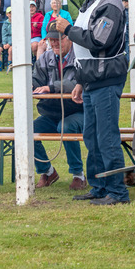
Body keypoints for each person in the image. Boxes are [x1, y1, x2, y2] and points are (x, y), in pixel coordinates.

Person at [53, 0, 130, 205]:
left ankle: (118, 192)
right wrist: (79, 81)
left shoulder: (110, 3)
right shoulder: (91, 4)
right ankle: (98, 187)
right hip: (91, 79)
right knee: (92, 136)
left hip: (106, 78)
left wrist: (68, 29)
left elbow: (99, 40)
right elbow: (85, 50)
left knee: (106, 137)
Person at [31, 24, 87, 190]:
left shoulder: (81, 56)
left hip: (79, 111)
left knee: (66, 126)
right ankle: (47, 171)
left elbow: (78, 83)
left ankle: (78, 175)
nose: (54, 43)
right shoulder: (44, 58)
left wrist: (51, 88)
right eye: (51, 40)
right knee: (27, 129)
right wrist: (28, 85)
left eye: (58, 39)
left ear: (68, 38)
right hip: (51, 112)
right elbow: (36, 79)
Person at [0, 6, 13, 71]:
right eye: (9, 13)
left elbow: (15, 35)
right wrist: (4, 43)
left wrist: (9, 43)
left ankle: (9, 66)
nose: (11, 14)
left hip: (13, 42)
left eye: (12, 13)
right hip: (5, 41)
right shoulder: (5, 23)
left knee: (10, 50)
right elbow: (4, 34)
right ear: (7, 14)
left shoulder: (17, 23)